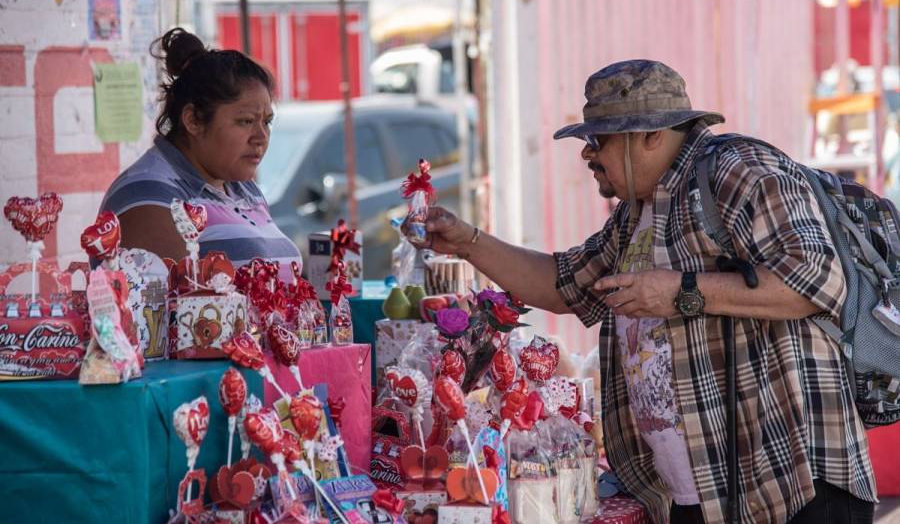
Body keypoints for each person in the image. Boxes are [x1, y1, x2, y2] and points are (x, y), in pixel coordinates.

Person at [414, 60, 876, 524]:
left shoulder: (741, 172)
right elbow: (563, 285)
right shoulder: (639, 210)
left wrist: (682, 292)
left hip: (790, 485)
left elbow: (818, 282)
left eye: (600, 141)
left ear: (651, 135)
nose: (588, 155)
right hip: (705, 494)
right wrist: (468, 242)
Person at [99, 28, 301, 275]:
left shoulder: (243, 188)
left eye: (266, 122)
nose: (261, 137)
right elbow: (164, 309)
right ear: (193, 120)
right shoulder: (148, 196)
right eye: (246, 121)